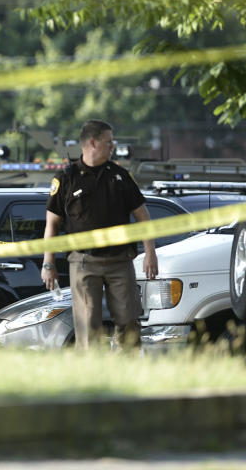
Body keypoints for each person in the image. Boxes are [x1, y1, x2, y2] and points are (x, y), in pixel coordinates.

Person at [41, 119, 158, 349]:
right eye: (109, 142)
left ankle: (129, 371)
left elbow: (143, 217)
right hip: (84, 262)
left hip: (120, 261)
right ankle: (91, 376)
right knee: (87, 324)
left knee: (128, 320)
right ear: (92, 143)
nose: (112, 146)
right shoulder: (66, 178)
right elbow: (51, 224)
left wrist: (150, 253)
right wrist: (48, 263)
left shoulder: (121, 176)